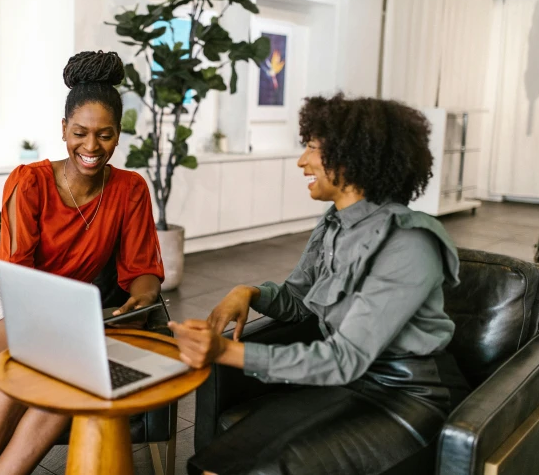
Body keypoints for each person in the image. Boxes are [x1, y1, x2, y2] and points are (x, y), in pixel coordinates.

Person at [169, 94, 470, 475]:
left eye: (312, 147)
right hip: (347, 384)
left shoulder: (409, 243)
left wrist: (224, 352)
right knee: (214, 464)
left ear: (352, 155)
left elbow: (344, 358)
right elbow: (300, 299)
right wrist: (251, 292)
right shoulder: (335, 223)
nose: (302, 160)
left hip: (410, 398)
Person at [0, 50, 165, 475]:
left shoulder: (130, 189)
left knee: (70, 372)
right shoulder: (29, 181)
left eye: (105, 135)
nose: (91, 147)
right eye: (80, 133)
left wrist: (140, 300)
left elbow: (143, 269)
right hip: (4, 305)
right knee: (29, 358)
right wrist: (60, 326)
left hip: (65, 321)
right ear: (63, 129)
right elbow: (18, 276)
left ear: (119, 135)